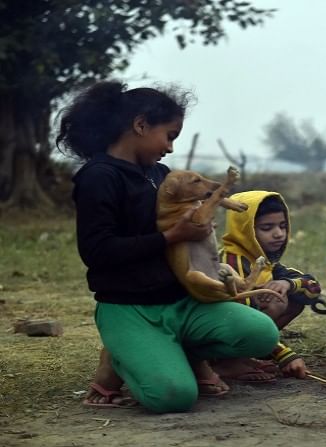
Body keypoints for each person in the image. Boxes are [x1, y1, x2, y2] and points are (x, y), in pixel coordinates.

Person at [57, 81, 279, 413]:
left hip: (183, 302)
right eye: (170, 135)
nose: (171, 149)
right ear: (141, 124)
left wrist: (201, 227)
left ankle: (187, 354)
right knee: (172, 396)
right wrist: (173, 236)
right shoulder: (99, 177)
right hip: (130, 306)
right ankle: (116, 359)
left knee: (262, 334)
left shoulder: (160, 174)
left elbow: (191, 219)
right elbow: (97, 252)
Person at [214, 191, 324, 382]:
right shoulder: (230, 262)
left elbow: (313, 288)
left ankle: (249, 354)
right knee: (274, 301)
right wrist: (283, 353)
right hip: (217, 336)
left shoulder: (263, 261)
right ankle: (226, 363)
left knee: (292, 295)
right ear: (244, 230)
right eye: (267, 227)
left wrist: (287, 283)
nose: (279, 234)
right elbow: (240, 316)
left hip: (244, 328)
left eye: (283, 226)